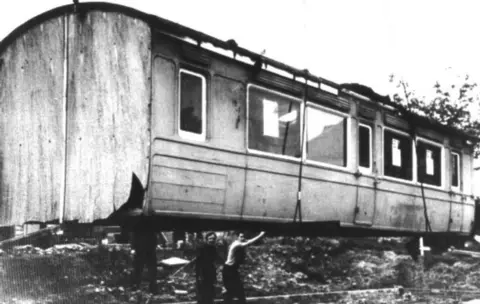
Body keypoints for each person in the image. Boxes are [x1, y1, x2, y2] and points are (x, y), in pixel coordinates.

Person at [222, 231, 265, 304]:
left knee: (238, 289)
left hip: (232, 269)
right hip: (228, 270)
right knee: (230, 289)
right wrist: (261, 235)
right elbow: (249, 242)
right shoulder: (237, 244)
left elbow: (248, 240)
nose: (242, 238)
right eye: (241, 236)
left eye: (243, 237)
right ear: (237, 237)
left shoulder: (237, 242)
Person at [195, 232, 221, 304]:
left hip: (210, 272)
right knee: (202, 294)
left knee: (210, 293)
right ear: (206, 239)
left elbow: (216, 260)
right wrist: (199, 275)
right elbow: (198, 263)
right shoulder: (202, 248)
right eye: (210, 238)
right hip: (202, 273)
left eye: (213, 239)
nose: (212, 240)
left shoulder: (214, 248)